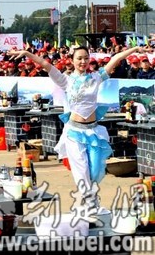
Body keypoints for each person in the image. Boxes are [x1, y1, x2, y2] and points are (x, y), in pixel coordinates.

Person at [8, 45, 150, 214]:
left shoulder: (96, 78)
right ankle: (89, 204)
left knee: (96, 170)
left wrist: (134, 49)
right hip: (74, 132)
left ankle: (91, 201)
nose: (83, 61)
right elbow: (45, 64)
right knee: (81, 169)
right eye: (79, 58)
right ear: (72, 60)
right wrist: (26, 53)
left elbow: (115, 59)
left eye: (85, 58)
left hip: (93, 130)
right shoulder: (65, 80)